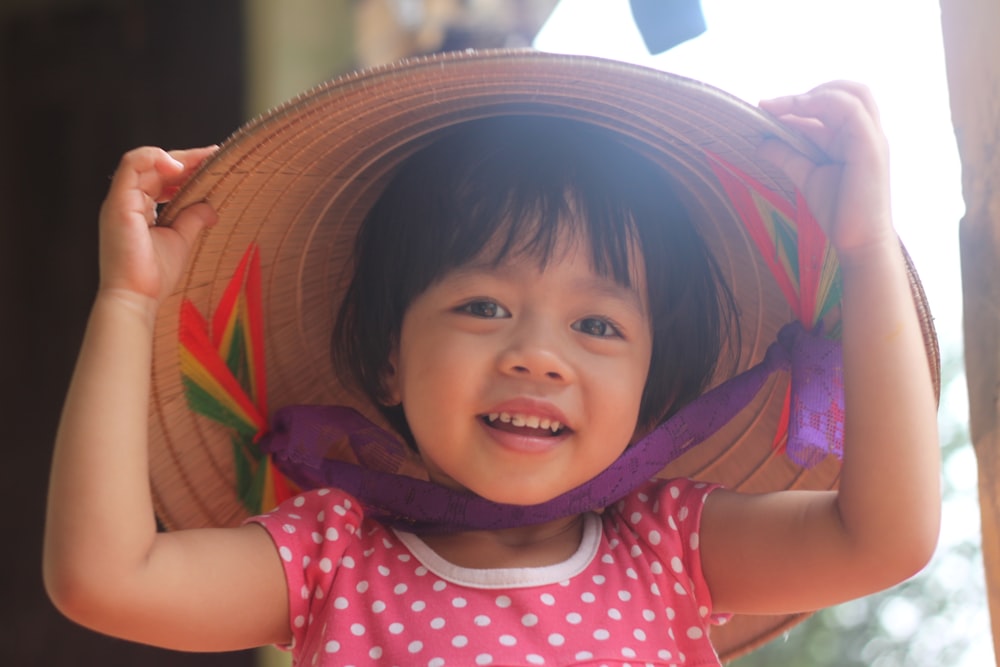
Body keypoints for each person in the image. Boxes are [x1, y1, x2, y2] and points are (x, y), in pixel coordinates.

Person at [42, 52, 940, 666]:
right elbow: (104, 577)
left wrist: (863, 254)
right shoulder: (331, 559)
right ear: (390, 360)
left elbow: (885, 537)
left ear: (649, 393)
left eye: (598, 327)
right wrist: (128, 304)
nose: (538, 357)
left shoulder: (672, 546)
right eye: (483, 306)